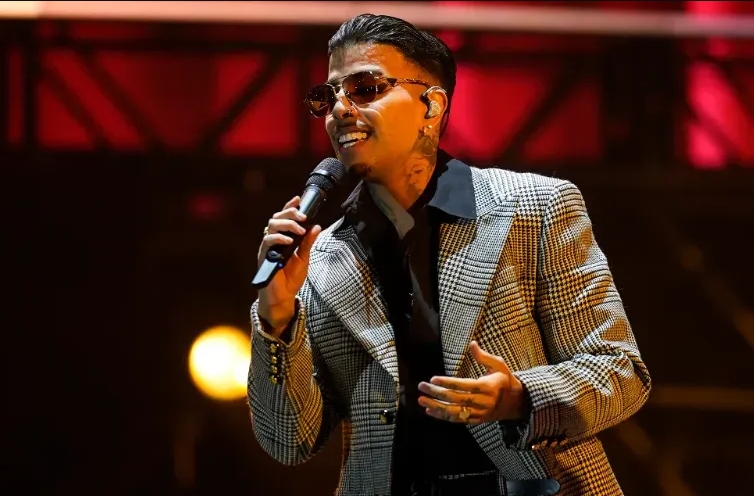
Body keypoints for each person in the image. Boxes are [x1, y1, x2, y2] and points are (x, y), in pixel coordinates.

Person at [248, 13, 651, 496]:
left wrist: (522, 397)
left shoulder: (535, 208)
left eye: (365, 88)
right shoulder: (319, 258)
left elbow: (620, 371)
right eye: (327, 96)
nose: (339, 109)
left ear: (432, 105)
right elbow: (288, 441)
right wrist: (275, 320)